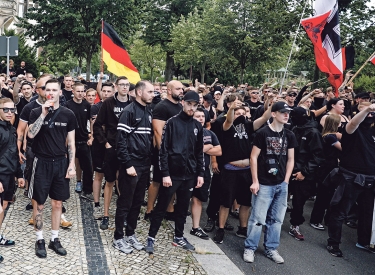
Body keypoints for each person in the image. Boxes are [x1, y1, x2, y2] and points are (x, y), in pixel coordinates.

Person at [145, 91, 204, 254]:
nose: (192, 108)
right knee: (161, 206)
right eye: (189, 104)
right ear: (183, 103)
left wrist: (200, 174)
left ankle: (179, 236)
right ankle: (151, 237)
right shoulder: (172, 122)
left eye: (195, 105)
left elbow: (199, 152)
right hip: (172, 174)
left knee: (183, 207)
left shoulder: (197, 126)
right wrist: (165, 173)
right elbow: (163, 150)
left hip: (189, 175)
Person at [27, 78, 77, 258]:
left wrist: (71, 165)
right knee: (39, 204)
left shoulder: (68, 114)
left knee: (57, 203)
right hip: (41, 162)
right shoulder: (34, 111)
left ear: (60, 92)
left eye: (54, 90)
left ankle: (54, 238)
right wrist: (43, 114)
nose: (51, 93)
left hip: (60, 162)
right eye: (48, 89)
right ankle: (39, 239)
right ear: (42, 91)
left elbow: (71, 143)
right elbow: (31, 134)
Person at [213, 95, 273, 244]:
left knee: (245, 202)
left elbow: (265, 117)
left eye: (242, 113)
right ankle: (220, 229)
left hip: (246, 170)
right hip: (230, 170)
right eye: (237, 113)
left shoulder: (249, 125)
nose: (240, 116)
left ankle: (243, 228)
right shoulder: (227, 126)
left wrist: (272, 104)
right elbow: (228, 121)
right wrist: (232, 108)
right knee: (226, 202)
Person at [243, 101, 297, 264]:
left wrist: (286, 180)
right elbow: (253, 157)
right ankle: (250, 248)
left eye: (288, 112)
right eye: (283, 112)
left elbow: (291, 159)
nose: (286, 115)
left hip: (281, 183)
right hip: (264, 183)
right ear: (273, 114)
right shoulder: (263, 133)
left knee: (277, 219)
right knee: (258, 218)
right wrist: (255, 181)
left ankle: (271, 248)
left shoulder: (290, 135)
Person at [327, 102, 375, 257]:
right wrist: (367, 108)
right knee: (340, 211)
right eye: (366, 113)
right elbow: (354, 122)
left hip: (370, 178)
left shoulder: (372, 132)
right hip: (350, 177)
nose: (369, 115)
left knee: (366, 213)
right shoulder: (351, 129)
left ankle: (363, 241)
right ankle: (333, 243)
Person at [112, 80, 154, 254]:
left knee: (137, 202)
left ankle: (130, 233)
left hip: (145, 164)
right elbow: (120, 141)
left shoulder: (149, 111)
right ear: (138, 92)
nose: (153, 94)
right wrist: (128, 164)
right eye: (150, 92)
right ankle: (118, 237)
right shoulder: (129, 111)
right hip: (131, 164)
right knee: (125, 202)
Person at [93, 76, 131, 229]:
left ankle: (123, 215)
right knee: (109, 181)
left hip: (128, 148)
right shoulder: (108, 103)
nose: (124, 87)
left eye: (127, 85)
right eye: (122, 85)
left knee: (124, 183)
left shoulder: (133, 103)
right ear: (116, 86)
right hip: (112, 146)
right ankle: (106, 215)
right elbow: (97, 125)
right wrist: (105, 142)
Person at [144, 80, 184, 221]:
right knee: (157, 181)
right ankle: (149, 210)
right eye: (178, 89)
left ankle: (169, 208)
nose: (181, 91)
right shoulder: (162, 107)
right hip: (163, 151)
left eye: (182, 89)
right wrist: (163, 152)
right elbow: (157, 131)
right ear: (169, 90)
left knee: (172, 181)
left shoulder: (180, 106)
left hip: (177, 152)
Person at [288, 107, 325, 240]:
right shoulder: (295, 129)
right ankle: (273, 221)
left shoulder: (313, 132)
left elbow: (318, 156)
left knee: (298, 201)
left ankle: (295, 225)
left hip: (303, 173)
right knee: (281, 197)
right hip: (288, 170)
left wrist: (304, 172)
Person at [0, 98, 25, 263]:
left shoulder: (12, 128)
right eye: (5, 109)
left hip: (9, 175)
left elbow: (14, 154)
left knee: (3, 208)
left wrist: (20, 175)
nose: (10, 113)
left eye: (12, 110)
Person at [190, 108, 221, 239]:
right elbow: (187, 151)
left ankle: (195, 227)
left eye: (203, 116)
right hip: (188, 170)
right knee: (183, 198)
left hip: (203, 172)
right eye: (198, 116)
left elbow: (219, 151)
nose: (201, 118)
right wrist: (207, 147)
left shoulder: (209, 133)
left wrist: (204, 149)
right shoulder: (187, 132)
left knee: (198, 199)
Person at [310, 114, 342, 229]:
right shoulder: (330, 137)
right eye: (339, 122)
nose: (341, 124)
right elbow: (343, 148)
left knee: (327, 195)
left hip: (328, 169)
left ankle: (324, 219)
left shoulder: (328, 135)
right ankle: (315, 220)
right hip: (327, 170)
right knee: (323, 196)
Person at [90, 83, 115, 219]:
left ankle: (110, 206)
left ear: (113, 92)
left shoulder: (116, 106)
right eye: (104, 91)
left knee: (113, 177)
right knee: (98, 174)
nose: (106, 93)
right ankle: (97, 204)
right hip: (99, 144)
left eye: (108, 91)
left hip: (113, 145)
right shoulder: (95, 107)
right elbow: (96, 126)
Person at [65, 83, 93, 199]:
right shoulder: (67, 105)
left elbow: (91, 121)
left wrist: (91, 136)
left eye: (82, 91)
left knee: (88, 168)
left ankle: (87, 191)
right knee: (65, 167)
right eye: (78, 91)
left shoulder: (87, 105)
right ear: (73, 91)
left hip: (83, 141)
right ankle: (63, 193)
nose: (80, 94)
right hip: (70, 142)